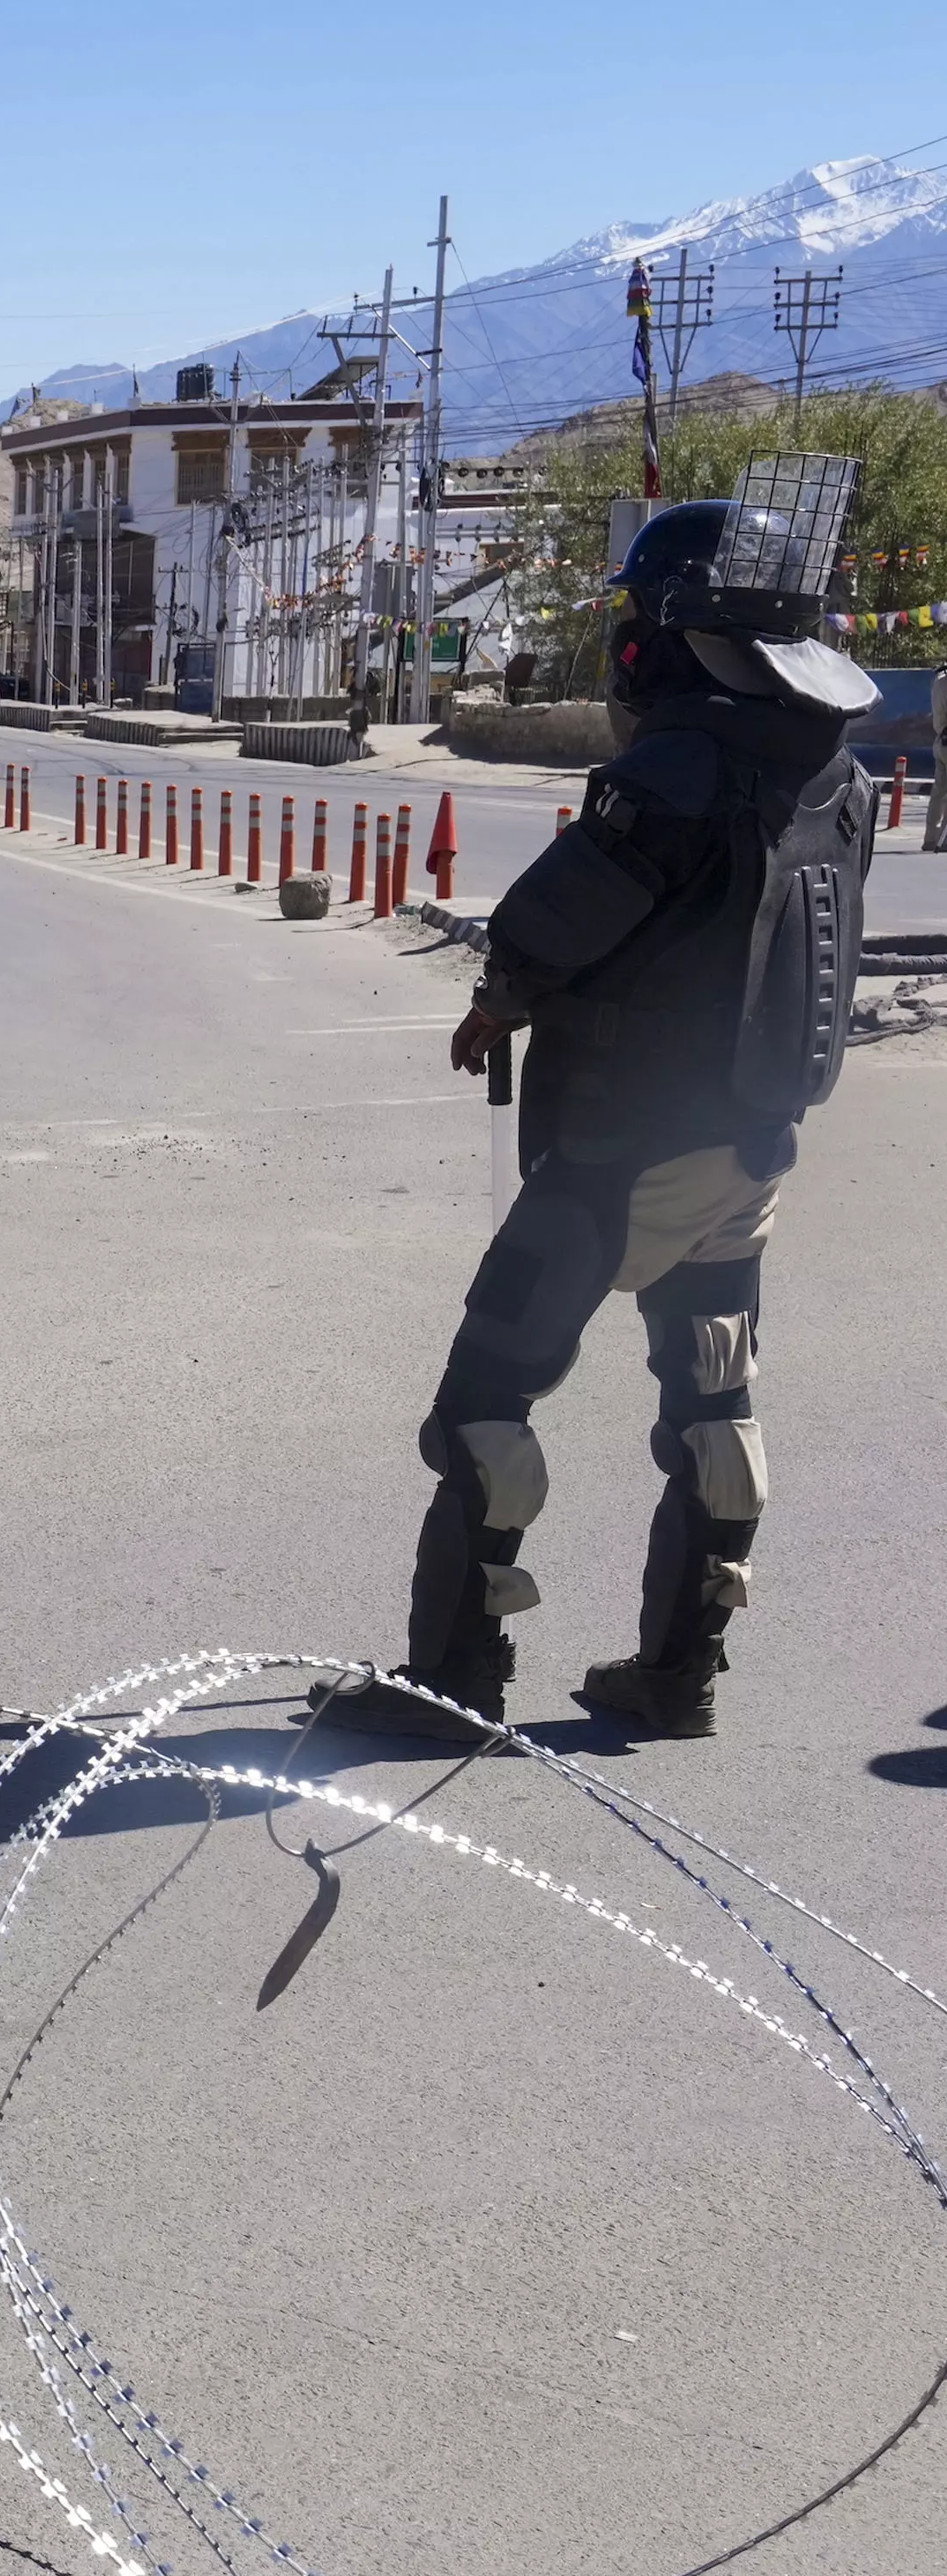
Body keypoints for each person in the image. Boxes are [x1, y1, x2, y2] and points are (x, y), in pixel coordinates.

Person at [313, 460, 877, 1745]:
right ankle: (681, 1672)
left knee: (483, 1400)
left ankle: (453, 1680)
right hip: (752, 1147)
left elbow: (554, 918)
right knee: (713, 1404)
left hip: (622, 1148)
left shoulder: (678, 764)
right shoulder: (831, 773)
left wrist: (500, 996)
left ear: (671, 632)